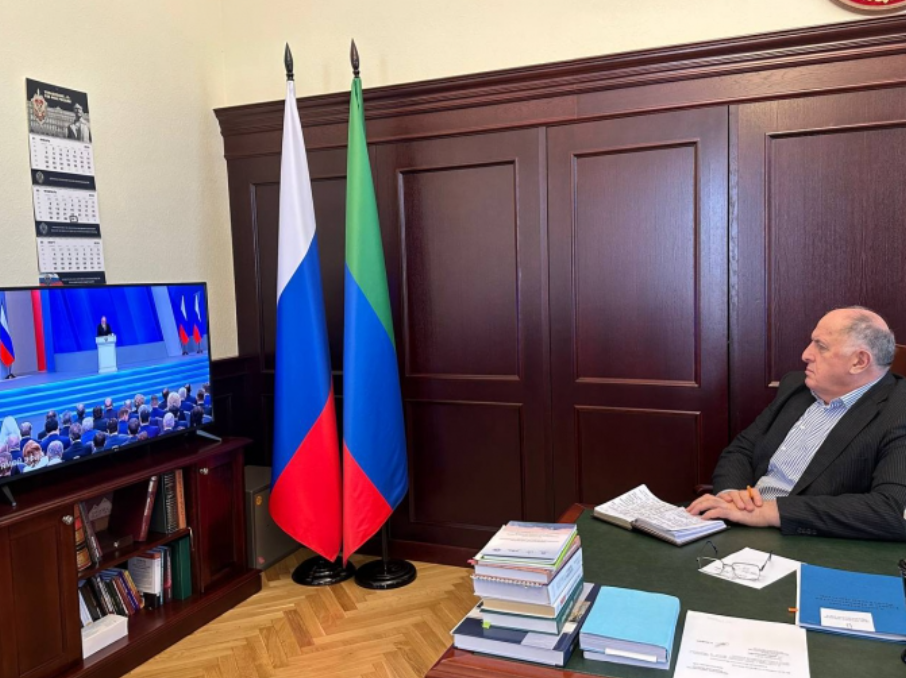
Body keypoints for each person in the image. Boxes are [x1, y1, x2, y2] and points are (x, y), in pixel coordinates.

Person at [687, 307, 906, 541]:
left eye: (821, 346)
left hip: (808, 539)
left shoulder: (898, 411)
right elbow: (742, 449)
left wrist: (770, 512)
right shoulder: (797, 386)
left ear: (859, 361)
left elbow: (892, 510)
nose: (806, 354)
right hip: (742, 522)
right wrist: (732, 495)